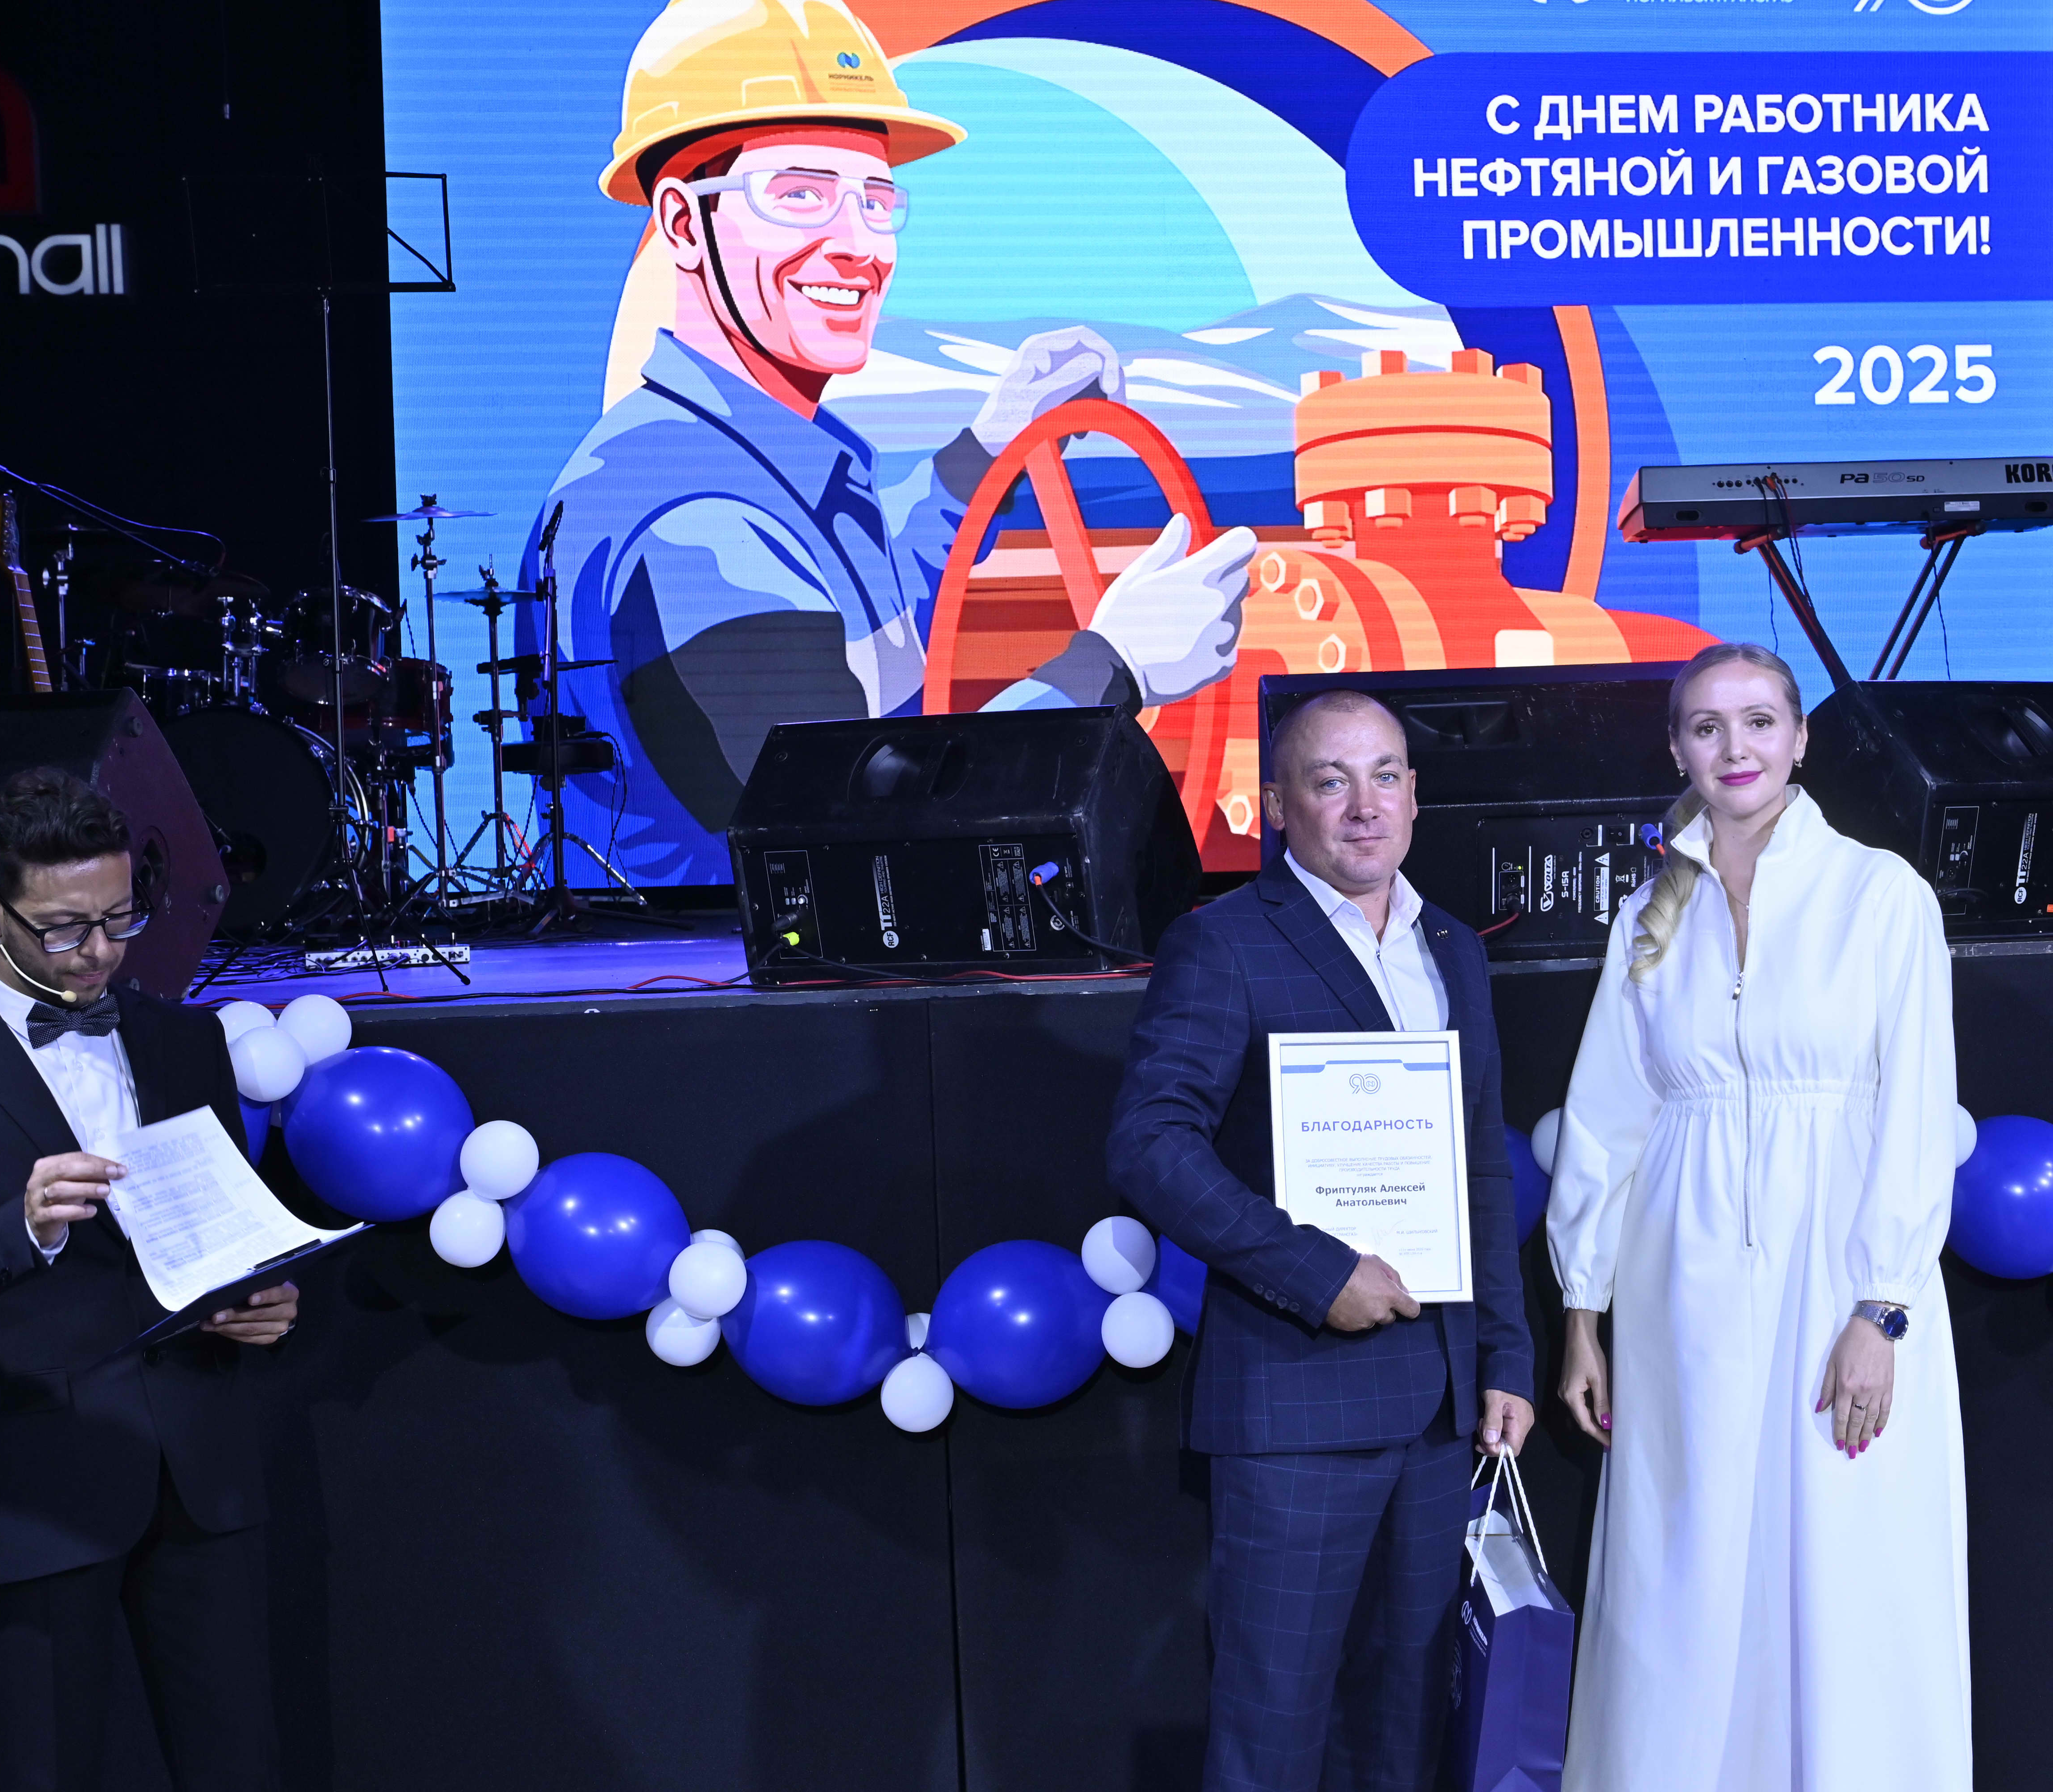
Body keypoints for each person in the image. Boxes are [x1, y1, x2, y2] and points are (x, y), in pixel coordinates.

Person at [531, 0, 1257, 880]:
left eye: (875, 201)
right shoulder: (687, 512)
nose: (858, 246)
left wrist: (989, 447)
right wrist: (1114, 666)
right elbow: (858, 822)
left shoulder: (766, 462)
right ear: (685, 224)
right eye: (800, 195)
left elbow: (878, 635)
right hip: (724, 963)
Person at [1545, 643, 1971, 1791]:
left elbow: (1916, 1110)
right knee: (1682, 1569)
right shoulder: (1651, 913)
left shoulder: (1881, 895)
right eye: (1706, 726)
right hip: (1680, 1281)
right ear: (1677, 748)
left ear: (1801, 737)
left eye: (1759, 721)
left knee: (1846, 1563)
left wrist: (1881, 1306)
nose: (1735, 748)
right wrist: (1583, 1311)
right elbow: (1607, 1118)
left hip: (1839, 1277)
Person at [1107, 691, 1535, 1792]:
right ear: (1277, 805)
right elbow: (1151, 1144)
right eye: (1330, 780)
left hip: (1439, 1410)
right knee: (1273, 1736)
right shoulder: (1222, 943)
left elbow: (1480, 1165)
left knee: (1405, 1733)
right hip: (1293, 1408)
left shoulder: (1453, 948)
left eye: (1385, 775)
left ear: (1415, 795)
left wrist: (1505, 1355)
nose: (1363, 806)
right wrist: (1318, 1269)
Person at [0, 768, 299, 1792]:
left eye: (120, 917)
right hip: (30, 1486)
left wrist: (266, 1298)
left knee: (238, 1762)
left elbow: (228, 1226)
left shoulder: (183, 1039)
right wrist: (17, 1227)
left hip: (201, 1470)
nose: (101, 949)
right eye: (64, 928)